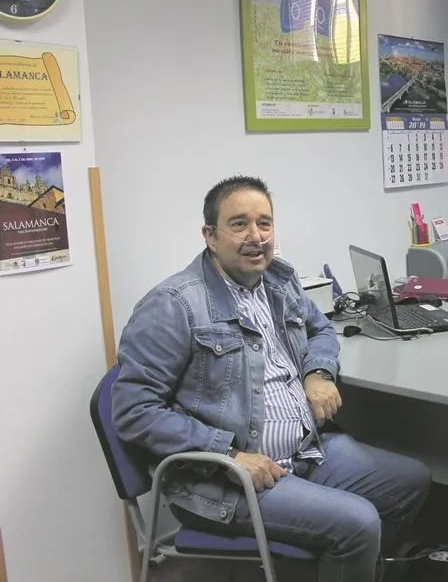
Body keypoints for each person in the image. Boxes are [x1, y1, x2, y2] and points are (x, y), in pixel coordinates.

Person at [111, 176, 431, 582]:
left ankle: (345, 566)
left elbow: (321, 331)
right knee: (359, 523)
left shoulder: (278, 279)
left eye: (265, 223)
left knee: (410, 482)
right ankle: (345, 551)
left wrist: (317, 373)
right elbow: (134, 410)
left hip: (304, 452)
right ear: (210, 235)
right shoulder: (174, 305)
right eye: (239, 224)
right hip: (226, 480)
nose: (256, 236)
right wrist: (228, 455)